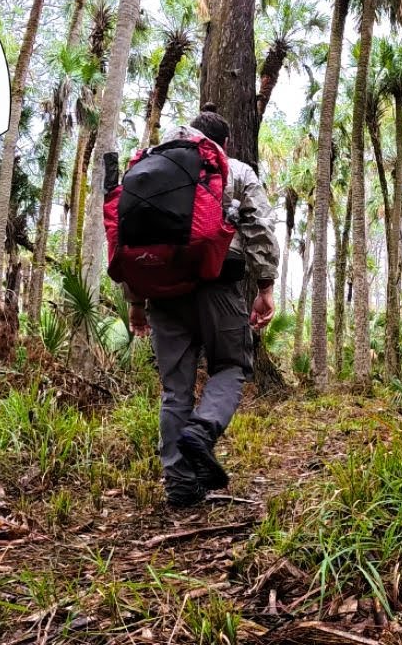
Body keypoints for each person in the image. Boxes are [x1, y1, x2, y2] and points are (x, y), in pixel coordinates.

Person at [128, 105, 280, 508]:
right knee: (230, 366)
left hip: (161, 289)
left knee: (175, 389)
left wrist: (136, 301)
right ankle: (203, 429)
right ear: (224, 143)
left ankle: (179, 485)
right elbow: (260, 228)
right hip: (217, 284)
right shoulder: (235, 170)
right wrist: (265, 286)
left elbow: (129, 236)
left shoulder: (150, 168)